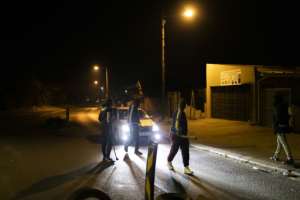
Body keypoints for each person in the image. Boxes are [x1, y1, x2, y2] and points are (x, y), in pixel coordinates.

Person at [167, 99, 193, 175]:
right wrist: (178, 132)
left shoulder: (182, 112)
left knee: (185, 151)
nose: (184, 107)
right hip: (177, 136)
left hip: (183, 136)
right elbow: (176, 125)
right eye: (184, 105)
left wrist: (184, 134)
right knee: (174, 150)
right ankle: (169, 162)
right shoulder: (178, 113)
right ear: (182, 105)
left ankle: (186, 167)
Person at [270, 94, 294, 165]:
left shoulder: (277, 107)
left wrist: (275, 127)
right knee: (279, 142)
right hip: (285, 125)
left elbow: (276, 118)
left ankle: (289, 158)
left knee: (283, 142)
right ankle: (276, 156)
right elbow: (290, 115)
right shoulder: (286, 105)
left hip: (279, 127)